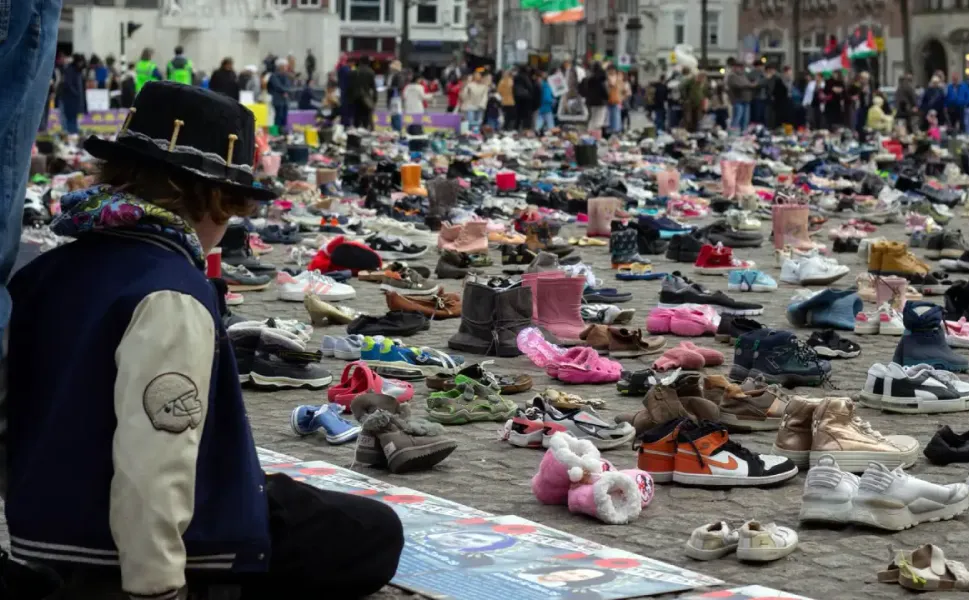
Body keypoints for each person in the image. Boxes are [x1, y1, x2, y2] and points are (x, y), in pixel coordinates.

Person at [2, 81, 405, 599]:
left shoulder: (40, 273)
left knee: (321, 509)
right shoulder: (170, 291)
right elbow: (154, 467)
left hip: (48, 529)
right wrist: (158, 589)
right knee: (374, 531)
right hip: (133, 552)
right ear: (215, 199)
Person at [60, 53, 86, 135]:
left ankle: (73, 130)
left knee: (74, 116)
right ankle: (71, 131)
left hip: (75, 99)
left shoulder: (78, 70)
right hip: (69, 98)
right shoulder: (70, 69)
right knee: (69, 116)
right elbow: (69, 84)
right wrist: (76, 93)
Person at [350, 55, 377, 129]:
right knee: (366, 120)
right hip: (366, 99)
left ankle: (356, 136)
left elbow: (350, 87)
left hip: (355, 99)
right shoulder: (370, 72)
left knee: (356, 120)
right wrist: (374, 100)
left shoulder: (354, 71)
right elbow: (374, 89)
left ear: (360, 62)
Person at [726, 60, 754, 131]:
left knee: (746, 118)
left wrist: (749, 85)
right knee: (737, 117)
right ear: (734, 67)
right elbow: (737, 85)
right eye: (738, 67)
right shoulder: (732, 76)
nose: (741, 68)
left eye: (741, 67)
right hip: (738, 100)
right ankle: (732, 132)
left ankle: (743, 133)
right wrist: (749, 85)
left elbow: (748, 84)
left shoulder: (744, 76)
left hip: (746, 100)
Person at [268, 57, 292, 132]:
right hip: (278, 100)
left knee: (284, 118)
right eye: (285, 66)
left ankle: (283, 132)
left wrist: (285, 90)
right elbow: (278, 86)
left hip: (285, 101)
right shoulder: (274, 76)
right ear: (280, 67)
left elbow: (288, 86)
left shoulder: (286, 76)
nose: (286, 68)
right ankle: (276, 133)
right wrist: (284, 91)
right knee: (278, 117)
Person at [584, 62, 609, 134]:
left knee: (592, 119)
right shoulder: (601, 80)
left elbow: (585, 91)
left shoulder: (589, 79)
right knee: (599, 121)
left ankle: (589, 134)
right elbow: (604, 92)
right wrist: (607, 97)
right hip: (600, 102)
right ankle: (595, 136)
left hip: (591, 102)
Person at [513, 66, 536, 132]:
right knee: (526, 114)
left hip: (517, 97)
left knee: (518, 114)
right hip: (525, 97)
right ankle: (525, 128)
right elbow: (529, 86)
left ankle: (516, 127)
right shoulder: (525, 77)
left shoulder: (516, 77)